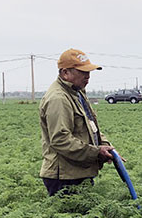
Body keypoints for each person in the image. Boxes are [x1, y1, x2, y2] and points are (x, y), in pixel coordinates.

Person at [39, 48, 116, 196]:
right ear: (65, 73)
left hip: (77, 172)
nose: (88, 76)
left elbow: (90, 126)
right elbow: (60, 139)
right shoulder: (58, 99)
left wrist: (105, 145)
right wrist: (96, 152)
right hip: (65, 177)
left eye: (89, 72)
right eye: (82, 72)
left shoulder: (77, 92)